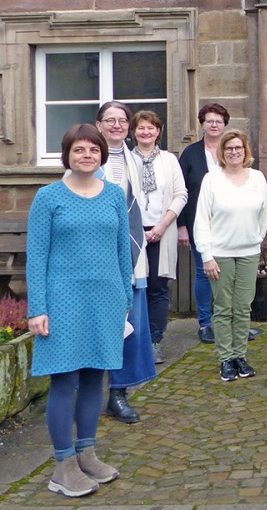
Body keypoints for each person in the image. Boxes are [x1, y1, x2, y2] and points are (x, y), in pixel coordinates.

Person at [27, 124, 131, 497]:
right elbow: (36, 256)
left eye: (93, 150)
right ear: (66, 155)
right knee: (64, 380)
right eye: (79, 150)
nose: (86, 155)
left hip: (105, 299)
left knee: (94, 378)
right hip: (61, 300)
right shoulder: (48, 196)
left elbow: (123, 251)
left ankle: (86, 452)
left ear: (102, 155)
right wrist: (37, 308)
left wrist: (125, 299)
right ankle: (63, 465)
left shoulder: (114, 195)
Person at [94, 102, 157, 423]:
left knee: (130, 325)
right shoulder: (87, 159)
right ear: (99, 124)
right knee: (97, 326)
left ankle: (118, 394)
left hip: (131, 256)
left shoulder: (135, 160)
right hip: (96, 259)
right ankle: (89, 392)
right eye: (111, 120)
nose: (117, 125)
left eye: (122, 121)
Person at [194, 129, 267, 382]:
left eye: (238, 147)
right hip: (221, 254)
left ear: (245, 150)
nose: (234, 152)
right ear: (222, 153)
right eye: (229, 148)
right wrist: (207, 255)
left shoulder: (257, 178)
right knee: (223, 308)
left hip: (248, 252)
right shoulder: (212, 180)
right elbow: (202, 220)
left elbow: (264, 214)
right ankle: (225, 358)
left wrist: (256, 241)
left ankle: (240, 355)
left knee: (243, 307)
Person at [130, 110, 188, 364]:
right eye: (141, 128)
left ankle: (154, 341)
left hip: (161, 231)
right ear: (133, 132)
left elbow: (180, 194)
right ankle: (133, 341)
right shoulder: (125, 160)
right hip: (132, 232)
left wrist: (162, 227)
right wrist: (136, 230)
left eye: (150, 128)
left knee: (157, 288)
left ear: (158, 132)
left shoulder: (169, 160)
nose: (146, 132)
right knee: (133, 287)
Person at [178, 103, 230, 344]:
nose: (214, 124)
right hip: (199, 222)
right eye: (209, 120)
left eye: (218, 121)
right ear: (202, 124)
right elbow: (180, 191)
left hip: (228, 222)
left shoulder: (232, 150)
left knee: (229, 273)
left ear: (225, 125)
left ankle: (231, 323)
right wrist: (182, 226)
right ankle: (205, 324)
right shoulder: (190, 153)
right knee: (203, 272)